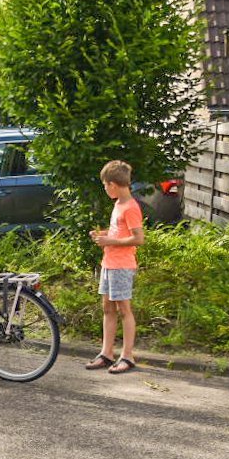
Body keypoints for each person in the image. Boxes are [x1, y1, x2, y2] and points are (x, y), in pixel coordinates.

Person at [87, 159, 146, 374]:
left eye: (105, 185)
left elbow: (138, 239)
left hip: (122, 266)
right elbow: (120, 233)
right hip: (109, 263)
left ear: (112, 184)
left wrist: (110, 241)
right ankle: (107, 353)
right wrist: (103, 235)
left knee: (124, 310)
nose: (104, 189)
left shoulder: (130, 207)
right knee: (108, 308)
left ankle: (127, 356)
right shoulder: (118, 204)